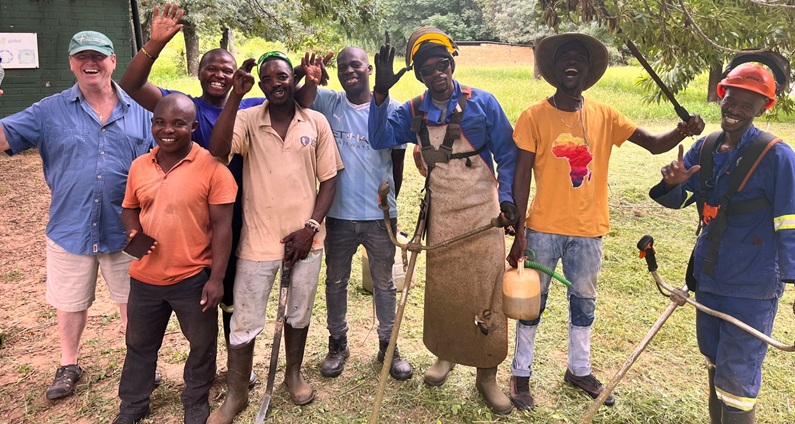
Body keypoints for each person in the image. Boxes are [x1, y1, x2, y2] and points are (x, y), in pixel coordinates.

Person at [118, 5, 320, 386]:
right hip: (192, 212)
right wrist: (154, 45)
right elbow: (130, 85)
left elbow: (296, 102)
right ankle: (202, 363)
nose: (219, 75)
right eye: (212, 67)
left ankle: (235, 366)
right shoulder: (181, 105)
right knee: (203, 284)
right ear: (199, 72)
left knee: (230, 287)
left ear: (237, 77)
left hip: (239, 209)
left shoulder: (248, 104)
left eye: (227, 70)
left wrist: (308, 79)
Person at [506, 32, 705, 410]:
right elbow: (520, 177)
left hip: (589, 230)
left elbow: (652, 143)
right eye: (565, 57)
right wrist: (520, 230)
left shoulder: (605, 115)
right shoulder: (534, 116)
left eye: (579, 58)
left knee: (584, 303)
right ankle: (521, 373)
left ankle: (578, 369)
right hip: (544, 227)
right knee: (532, 302)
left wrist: (681, 130)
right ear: (553, 68)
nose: (572, 63)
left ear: (587, 70)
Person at [369, 28, 519, 414]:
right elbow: (380, 136)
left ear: (452, 63)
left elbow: (508, 154)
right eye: (426, 67)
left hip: (483, 215)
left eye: (442, 63)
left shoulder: (483, 103)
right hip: (442, 218)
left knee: (487, 293)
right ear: (418, 73)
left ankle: (487, 375)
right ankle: (446, 356)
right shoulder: (414, 109)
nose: (436, 72)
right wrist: (381, 95)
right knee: (444, 292)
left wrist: (507, 202)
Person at [0, 31, 153, 401]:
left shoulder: (142, 114)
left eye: (98, 56)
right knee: (70, 303)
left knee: (133, 303)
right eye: (82, 56)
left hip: (127, 230)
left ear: (113, 61)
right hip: (71, 227)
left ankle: (141, 365)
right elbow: (4, 140)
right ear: (71, 63)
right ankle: (69, 363)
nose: (91, 63)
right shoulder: (47, 111)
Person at [650, 63, 795, 424]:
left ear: (764, 108)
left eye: (749, 104)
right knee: (715, 363)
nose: (736, 109)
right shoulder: (707, 147)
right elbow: (682, 199)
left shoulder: (777, 157)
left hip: (751, 286)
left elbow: (790, 225)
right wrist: (673, 183)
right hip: (710, 278)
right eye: (732, 99)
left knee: (738, 381)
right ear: (721, 96)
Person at [207, 51, 342, 423]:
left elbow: (329, 180)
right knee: (244, 321)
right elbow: (218, 150)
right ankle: (236, 395)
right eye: (267, 79)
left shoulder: (315, 122)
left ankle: (293, 375)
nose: (275, 83)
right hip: (257, 244)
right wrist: (235, 95)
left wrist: (310, 228)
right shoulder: (248, 118)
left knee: (298, 314)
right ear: (262, 85)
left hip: (307, 242)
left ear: (291, 79)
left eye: (281, 76)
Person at [113, 93, 237, 424]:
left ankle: (195, 400)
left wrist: (215, 279)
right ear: (152, 124)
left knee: (201, 344)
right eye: (160, 122)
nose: (168, 130)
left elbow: (223, 228)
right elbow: (129, 209)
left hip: (192, 277)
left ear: (193, 127)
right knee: (138, 345)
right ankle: (133, 405)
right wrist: (133, 231)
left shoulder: (213, 168)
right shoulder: (141, 165)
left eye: (179, 123)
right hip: (144, 277)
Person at [309, 47, 412, 381]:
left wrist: (387, 204)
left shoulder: (393, 110)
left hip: (380, 215)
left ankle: (388, 345)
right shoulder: (329, 103)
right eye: (342, 67)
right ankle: (337, 343)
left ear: (369, 68)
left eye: (355, 65)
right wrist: (307, 74)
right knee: (336, 281)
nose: (348, 71)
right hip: (337, 215)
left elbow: (398, 165)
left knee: (385, 284)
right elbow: (299, 98)